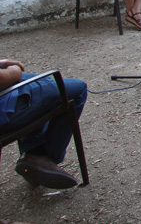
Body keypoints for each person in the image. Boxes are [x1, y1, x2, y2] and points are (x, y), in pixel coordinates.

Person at [0, 59, 87, 189]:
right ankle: (42, 158)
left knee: (44, 81)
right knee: (78, 89)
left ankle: (33, 149)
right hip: (5, 110)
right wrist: (13, 72)